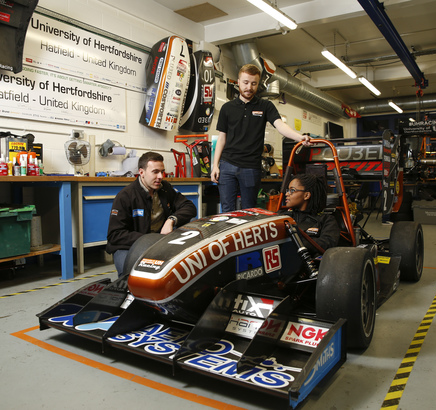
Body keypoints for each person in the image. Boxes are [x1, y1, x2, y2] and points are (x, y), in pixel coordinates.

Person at [211, 63, 311, 212]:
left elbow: (280, 126)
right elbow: (222, 138)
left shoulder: (265, 106)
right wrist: (215, 165)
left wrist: (299, 137)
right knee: (227, 210)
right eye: (245, 82)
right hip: (228, 166)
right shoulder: (227, 108)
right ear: (238, 82)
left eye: (253, 83)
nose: (249, 87)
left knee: (250, 211)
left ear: (258, 84)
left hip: (251, 167)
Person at [106, 151, 197, 277]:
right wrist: (148, 240)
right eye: (155, 172)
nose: (160, 176)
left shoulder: (165, 188)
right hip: (128, 247)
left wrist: (171, 220)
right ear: (142, 173)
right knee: (130, 278)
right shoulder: (125, 196)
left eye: (162, 171)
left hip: (159, 242)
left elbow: (189, 207)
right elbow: (115, 235)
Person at [279, 174, 340, 256]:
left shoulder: (326, 220)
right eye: (287, 190)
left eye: (292, 190)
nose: (287, 194)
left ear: (306, 195)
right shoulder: (281, 217)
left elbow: (327, 243)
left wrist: (298, 242)